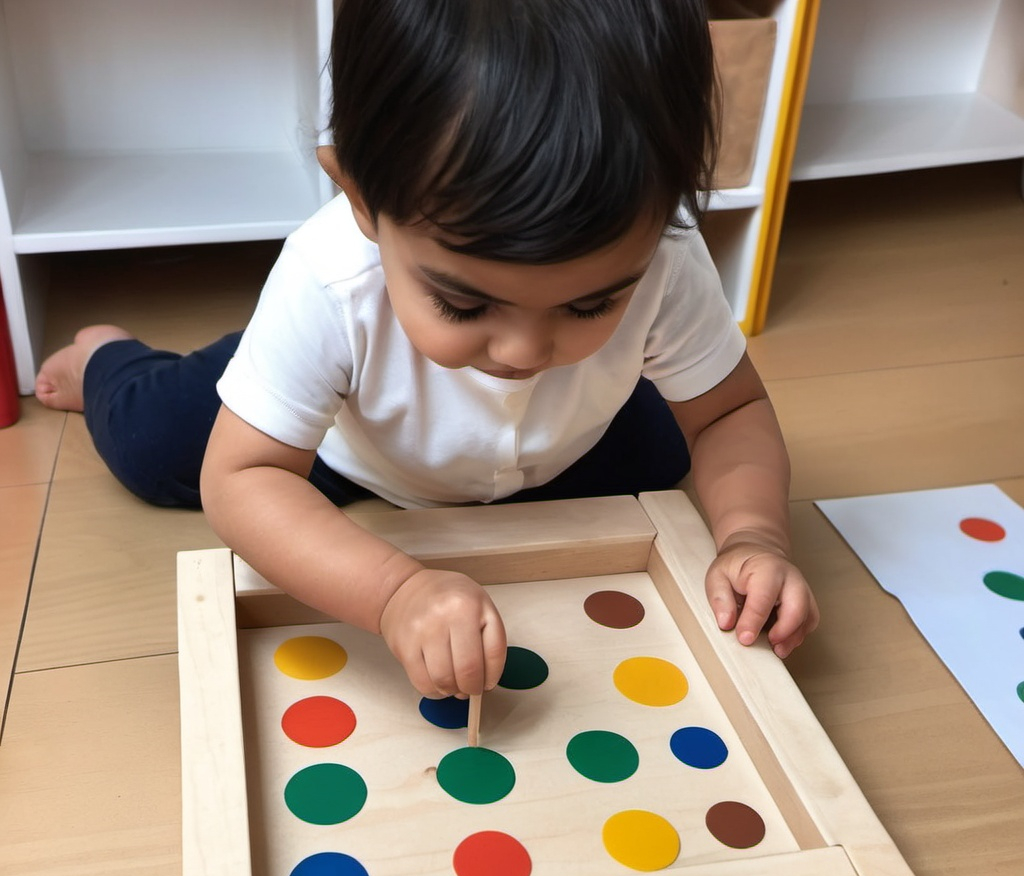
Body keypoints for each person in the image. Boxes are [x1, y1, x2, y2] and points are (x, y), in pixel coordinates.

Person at [35, 0, 819, 701]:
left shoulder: (667, 258)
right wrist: (392, 591)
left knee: (666, 455)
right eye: (464, 301)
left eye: (590, 301)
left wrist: (754, 535)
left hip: (561, 443)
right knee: (152, 442)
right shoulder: (328, 280)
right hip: (349, 443)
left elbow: (729, 412)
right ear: (363, 201)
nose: (525, 349)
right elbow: (242, 480)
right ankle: (108, 356)